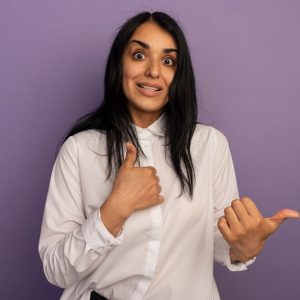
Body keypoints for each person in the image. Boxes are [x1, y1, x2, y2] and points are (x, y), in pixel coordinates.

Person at [38, 11, 300, 300]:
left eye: (167, 61)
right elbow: (56, 270)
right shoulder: (79, 150)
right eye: (139, 55)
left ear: (178, 74)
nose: (153, 71)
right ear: (118, 65)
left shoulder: (209, 145)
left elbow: (218, 242)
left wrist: (246, 246)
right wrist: (114, 210)